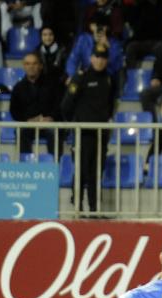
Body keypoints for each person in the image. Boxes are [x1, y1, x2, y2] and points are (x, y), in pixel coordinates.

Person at [60, 48, 114, 215]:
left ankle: (94, 209)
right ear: (91, 58)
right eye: (97, 57)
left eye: (103, 57)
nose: (100, 60)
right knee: (82, 171)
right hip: (83, 133)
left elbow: (110, 104)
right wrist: (75, 123)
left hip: (101, 133)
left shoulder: (108, 78)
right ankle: (78, 207)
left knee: (96, 172)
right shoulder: (81, 77)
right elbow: (66, 105)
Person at [10, 51, 62, 155]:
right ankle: (25, 163)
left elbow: (59, 105)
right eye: (27, 64)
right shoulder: (18, 87)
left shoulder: (52, 84)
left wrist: (51, 118)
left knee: (54, 132)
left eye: (34, 63)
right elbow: (14, 111)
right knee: (20, 132)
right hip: (28, 124)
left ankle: (56, 163)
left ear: (40, 66)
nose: (31, 67)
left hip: (48, 124)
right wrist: (27, 120)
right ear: (24, 66)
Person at [65, 13, 124, 82]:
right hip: (86, 76)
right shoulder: (83, 39)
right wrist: (73, 75)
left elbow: (117, 66)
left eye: (102, 26)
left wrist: (108, 47)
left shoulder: (114, 43)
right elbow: (72, 60)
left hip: (106, 78)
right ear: (91, 26)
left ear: (107, 27)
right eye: (96, 25)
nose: (99, 28)